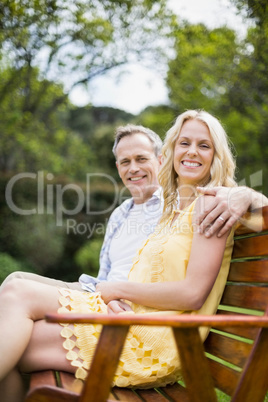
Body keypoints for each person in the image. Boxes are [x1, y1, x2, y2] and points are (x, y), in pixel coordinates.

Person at [0, 109, 259, 402]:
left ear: (215, 155)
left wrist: (246, 195)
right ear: (172, 151)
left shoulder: (213, 204)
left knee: (16, 297)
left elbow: (192, 294)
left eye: (204, 145)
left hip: (155, 341)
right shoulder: (172, 210)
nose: (192, 152)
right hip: (132, 319)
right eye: (184, 143)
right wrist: (116, 297)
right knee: (13, 319)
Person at [2, 124, 267, 292]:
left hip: (126, 307)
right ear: (117, 167)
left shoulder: (176, 203)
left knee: (19, 303)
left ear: (161, 159)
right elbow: (103, 276)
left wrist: (245, 193)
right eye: (125, 161)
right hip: (99, 293)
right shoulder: (121, 213)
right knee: (15, 280)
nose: (134, 168)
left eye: (142, 159)